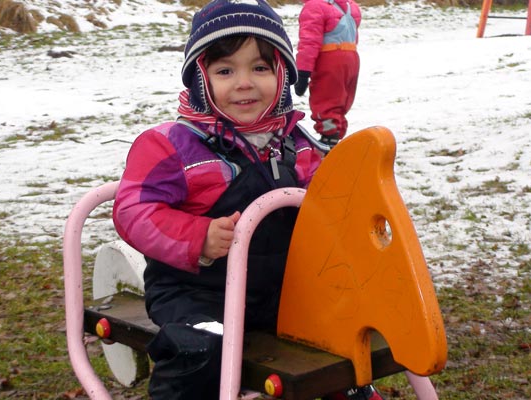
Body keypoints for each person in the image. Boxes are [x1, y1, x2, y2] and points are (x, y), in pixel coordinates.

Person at [112, 0, 322, 398]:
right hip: (195, 293)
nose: (244, 83)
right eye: (225, 71)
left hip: (281, 290)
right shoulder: (172, 146)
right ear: (199, 80)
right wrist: (197, 236)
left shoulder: (297, 145)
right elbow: (132, 210)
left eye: (260, 68)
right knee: (200, 346)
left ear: (283, 75)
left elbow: (337, 202)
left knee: (343, 327)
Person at [293, 0, 362, 148]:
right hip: (352, 57)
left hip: (330, 59)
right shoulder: (351, 7)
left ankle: (328, 137)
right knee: (341, 99)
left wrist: (303, 72)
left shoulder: (315, 7)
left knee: (325, 98)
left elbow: (309, 42)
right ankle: (336, 133)